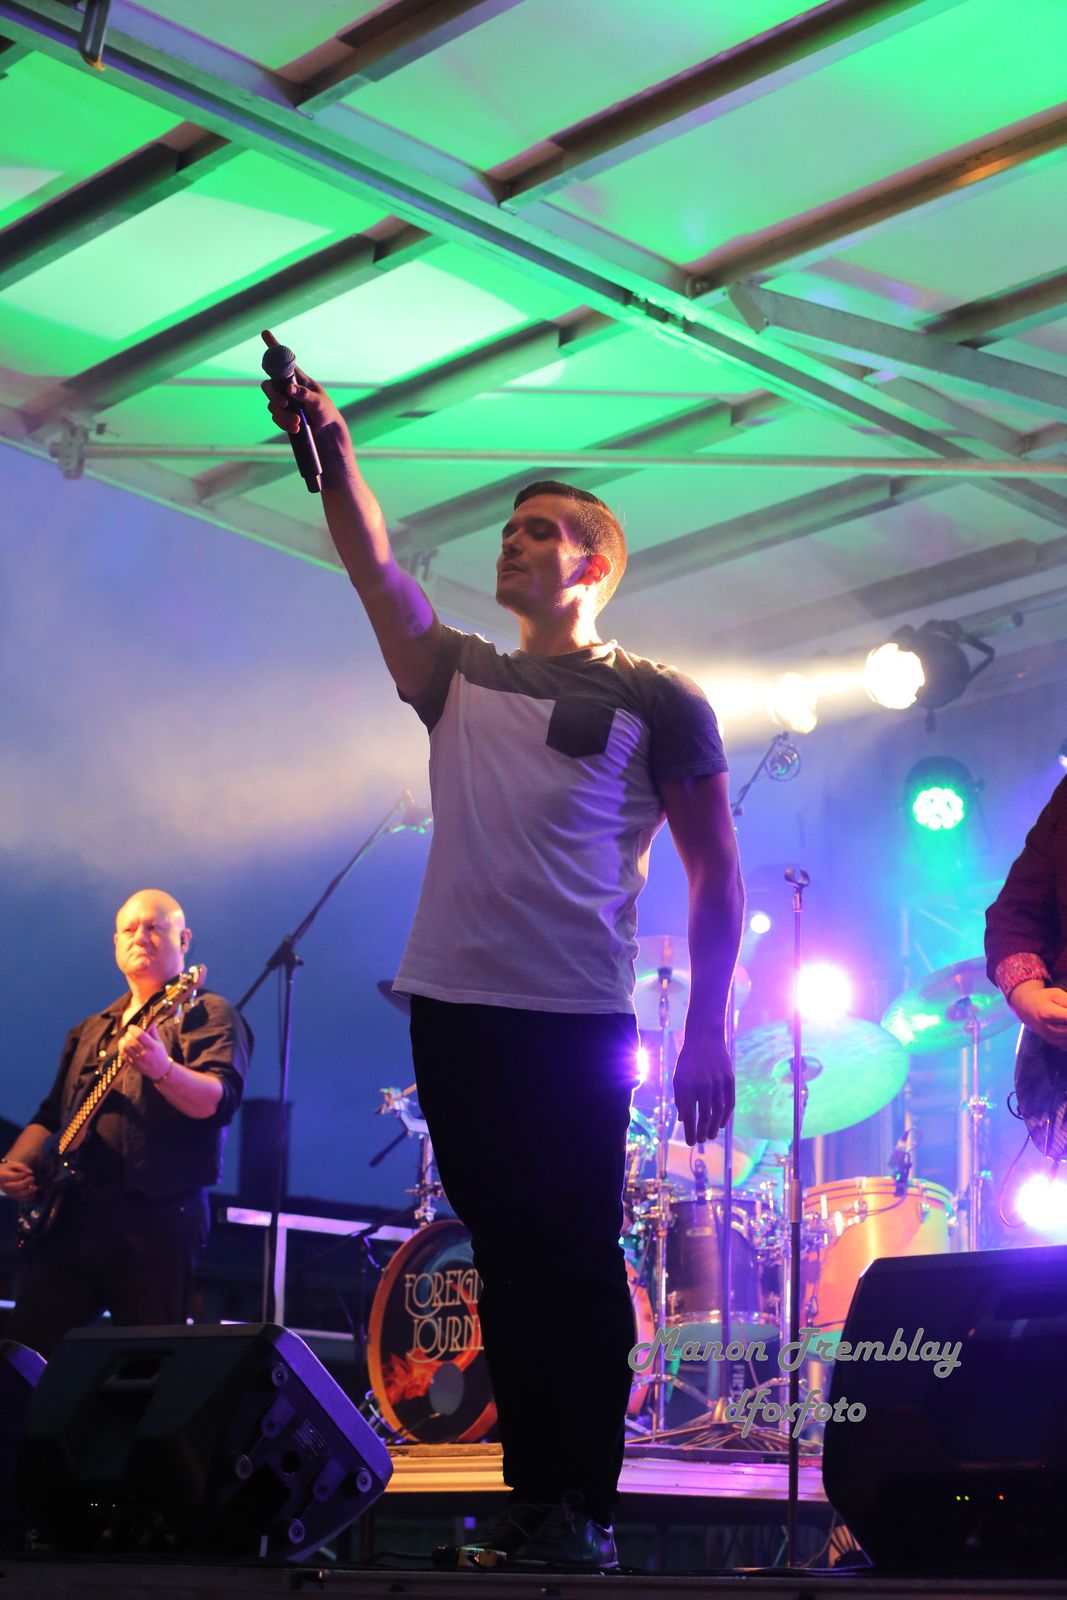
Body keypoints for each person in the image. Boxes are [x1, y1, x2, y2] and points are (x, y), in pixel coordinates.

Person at [261, 332, 743, 1571]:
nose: (511, 546)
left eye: (538, 533)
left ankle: (583, 1507)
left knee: (572, 1258)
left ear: (590, 564)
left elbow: (716, 872)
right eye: (508, 532)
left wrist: (705, 1028)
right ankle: (535, 1504)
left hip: (575, 1014)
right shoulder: (455, 675)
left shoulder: (659, 698)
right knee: (507, 1259)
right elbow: (374, 568)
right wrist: (335, 454)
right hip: (454, 1005)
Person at [0, 889, 251, 1357]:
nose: (141, 936)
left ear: (184, 939)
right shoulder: (91, 1029)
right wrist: (13, 1164)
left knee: (145, 1364)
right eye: (130, 929)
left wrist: (162, 1069)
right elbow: (51, 1115)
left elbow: (219, 1100)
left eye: (155, 927)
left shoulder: (206, 1012)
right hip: (72, 1216)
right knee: (22, 1355)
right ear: (115, 942)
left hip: (158, 1218)